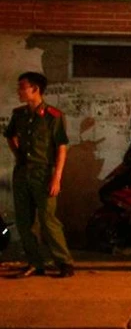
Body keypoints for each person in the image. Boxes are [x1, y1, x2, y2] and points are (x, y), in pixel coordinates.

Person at [4, 72, 74, 278]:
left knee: (47, 219)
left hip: (43, 173)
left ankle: (64, 262)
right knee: (24, 221)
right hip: (22, 172)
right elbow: (10, 136)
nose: (19, 91)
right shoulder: (19, 114)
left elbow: (61, 147)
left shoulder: (53, 116)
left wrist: (57, 177)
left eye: (22, 87)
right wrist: (18, 154)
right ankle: (35, 263)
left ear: (35, 89)